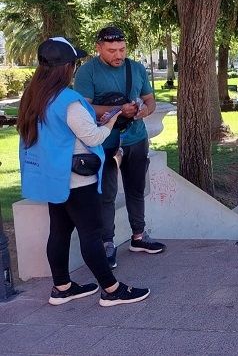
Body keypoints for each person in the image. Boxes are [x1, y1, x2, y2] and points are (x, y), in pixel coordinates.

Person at [18, 37, 150, 307]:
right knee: (91, 234)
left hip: (53, 178)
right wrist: (112, 120)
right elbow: (93, 138)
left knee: (59, 232)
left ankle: (62, 287)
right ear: (65, 67)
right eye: (74, 63)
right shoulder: (68, 100)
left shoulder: (33, 97)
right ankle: (111, 290)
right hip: (78, 179)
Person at [74, 26, 165, 269]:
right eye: (112, 50)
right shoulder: (87, 72)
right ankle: (107, 244)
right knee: (107, 194)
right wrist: (117, 111)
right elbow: (83, 109)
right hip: (105, 142)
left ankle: (139, 236)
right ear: (99, 48)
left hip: (135, 137)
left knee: (136, 188)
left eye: (122, 49)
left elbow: (150, 100)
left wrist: (144, 111)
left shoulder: (135, 68)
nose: (118, 55)